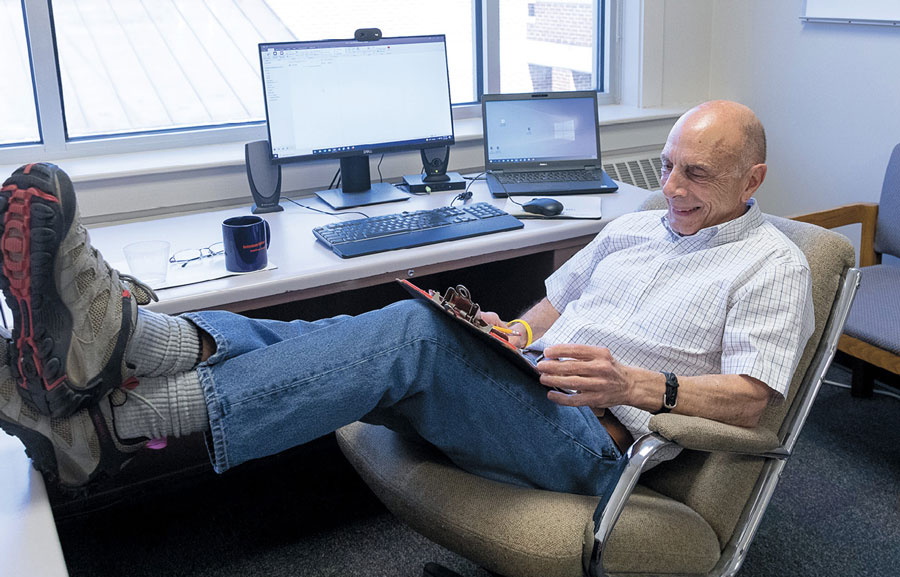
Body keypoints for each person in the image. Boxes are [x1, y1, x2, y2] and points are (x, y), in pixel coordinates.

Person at [0, 100, 814, 499]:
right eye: (668, 164)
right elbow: (550, 309)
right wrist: (504, 328)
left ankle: (117, 409)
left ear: (754, 179)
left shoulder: (771, 265)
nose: (669, 186)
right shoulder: (637, 227)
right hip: (530, 386)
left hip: (596, 443)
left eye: (695, 174)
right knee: (377, 330)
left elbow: (754, 400)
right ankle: (128, 352)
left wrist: (636, 385)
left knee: (405, 335)